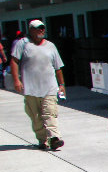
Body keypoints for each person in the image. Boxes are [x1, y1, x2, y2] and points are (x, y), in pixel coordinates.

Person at [10, 19, 67, 151]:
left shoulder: (51, 46)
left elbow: (58, 67)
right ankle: (43, 140)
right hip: (30, 89)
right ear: (30, 30)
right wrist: (16, 81)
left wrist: (62, 84)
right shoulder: (23, 44)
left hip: (50, 88)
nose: (41, 30)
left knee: (50, 114)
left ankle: (54, 138)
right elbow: (14, 61)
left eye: (42, 28)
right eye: (37, 28)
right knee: (36, 117)